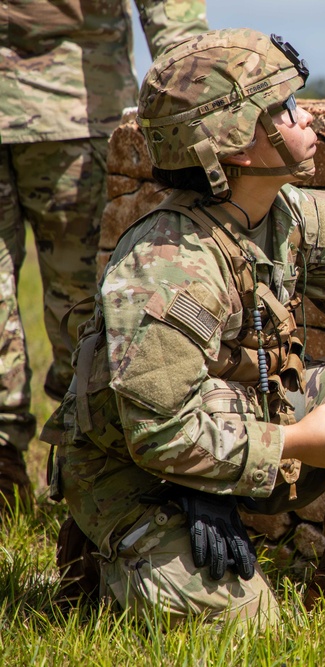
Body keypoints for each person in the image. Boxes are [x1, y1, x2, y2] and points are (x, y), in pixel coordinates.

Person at [41, 28, 325, 630]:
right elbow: (158, 435)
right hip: (134, 471)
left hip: (242, 425)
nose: (309, 123)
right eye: (285, 110)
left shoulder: (296, 214)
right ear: (238, 145)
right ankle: (98, 552)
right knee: (246, 626)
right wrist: (298, 443)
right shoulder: (167, 266)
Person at [0, 0, 208, 512]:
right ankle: (86, 473)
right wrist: (200, 98)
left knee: (85, 305)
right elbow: (171, 13)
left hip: (75, 108)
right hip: (73, 105)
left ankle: (17, 466)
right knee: (84, 302)